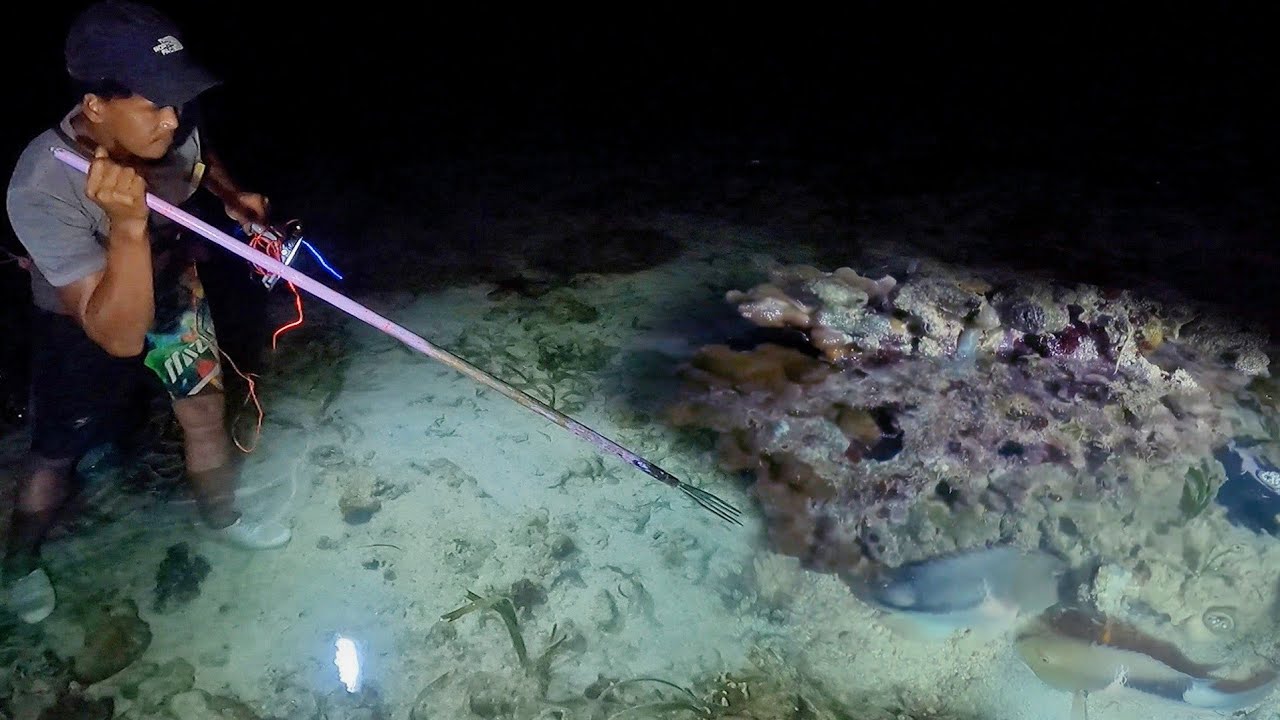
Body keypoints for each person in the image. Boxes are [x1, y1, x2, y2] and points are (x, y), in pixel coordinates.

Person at [2, 0, 291, 624]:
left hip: (172, 288)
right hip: (83, 323)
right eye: (153, 104)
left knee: (205, 409)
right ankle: (18, 565)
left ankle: (223, 517)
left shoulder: (171, 121)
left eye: (177, 99)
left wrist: (230, 194)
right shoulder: (41, 185)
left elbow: (199, 155)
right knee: (57, 449)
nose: (172, 118)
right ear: (96, 106)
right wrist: (128, 228)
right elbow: (117, 334)